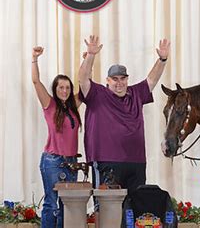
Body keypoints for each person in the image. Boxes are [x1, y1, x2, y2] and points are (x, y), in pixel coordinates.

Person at [78, 35, 170, 194]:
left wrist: (162, 60)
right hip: (106, 159)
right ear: (108, 80)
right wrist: (91, 55)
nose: (119, 82)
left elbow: (152, 79)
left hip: (136, 161)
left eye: (123, 78)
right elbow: (83, 79)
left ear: (127, 79)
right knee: (105, 206)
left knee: (135, 205)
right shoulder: (97, 93)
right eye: (115, 79)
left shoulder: (136, 93)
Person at [32, 46, 82, 228]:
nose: (64, 90)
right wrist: (34, 58)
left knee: (66, 206)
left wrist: (87, 61)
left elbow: (85, 87)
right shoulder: (50, 104)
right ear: (55, 88)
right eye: (61, 87)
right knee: (52, 204)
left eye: (68, 87)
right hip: (53, 160)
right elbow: (36, 81)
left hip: (72, 162)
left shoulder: (73, 106)